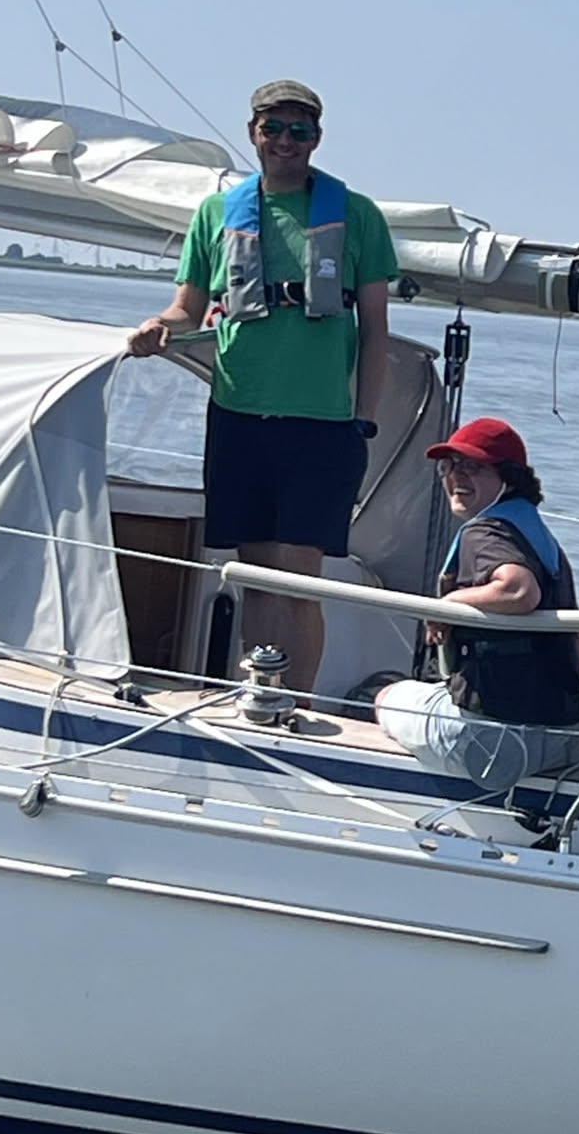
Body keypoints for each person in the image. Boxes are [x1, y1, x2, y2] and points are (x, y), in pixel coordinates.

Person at [128, 79, 399, 695]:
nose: (285, 141)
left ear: (316, 139)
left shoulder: (356, 215)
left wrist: (363, 420)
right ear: (253, 133)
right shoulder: (216, 214)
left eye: (298, 130)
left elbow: (376, 330)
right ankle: (260, 694)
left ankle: (293, 704)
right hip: (239, 413)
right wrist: (156, 327)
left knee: (299, 577)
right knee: (254, 574)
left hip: (322, 422)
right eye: (273, 128)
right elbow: (186, 310)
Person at [375, 417, 579, 791]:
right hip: (565, 740)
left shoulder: (485, 532)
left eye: (472, 466)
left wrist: (447, 604)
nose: (456, 476)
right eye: (449, 466)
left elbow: (519, 591)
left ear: (509, 478)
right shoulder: (539, 538)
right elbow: (577, 647)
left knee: (385, 697)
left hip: (490, 742)